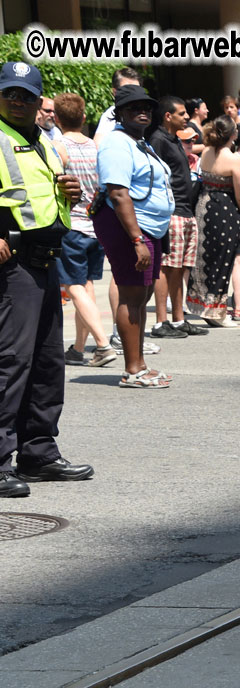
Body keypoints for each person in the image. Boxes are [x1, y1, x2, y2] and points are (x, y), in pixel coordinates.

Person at [0, 62, 92, 497]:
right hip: (12, 261)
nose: (16, 101)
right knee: (11, 362)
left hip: (45, 257)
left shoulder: (43, 143)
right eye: (9, 94)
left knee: (47, 360)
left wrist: (67, 193)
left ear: (41, 104)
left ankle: (37, 452)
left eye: (25, 95)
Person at [95, 84, 175, 389]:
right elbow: (117, 193)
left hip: (147, 228)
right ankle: (132, 370)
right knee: (131, 295)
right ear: (119, 113)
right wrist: (137, 240)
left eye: (146, 107)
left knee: (141, 296)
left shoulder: (140, 143)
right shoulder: (117, 143)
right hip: (129, 228)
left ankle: (140, 364)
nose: (142, 112)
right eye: (133, 108)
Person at [52, 93, 117, 368]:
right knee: (87, 286)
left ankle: (102, 345)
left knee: (75, 287)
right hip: (95, 225)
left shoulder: (57, 147)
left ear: (56, 118)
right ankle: (78, 348)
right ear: (83, 117)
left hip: (72, 226)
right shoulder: (96, 147)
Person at [148, 95, 207, 338]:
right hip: (170, 212)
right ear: (168, 116)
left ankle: (178, 318)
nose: (186, 117)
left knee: (180, 268)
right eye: (182, 114)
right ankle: (162, 322)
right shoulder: (158, 140)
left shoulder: (173, 140)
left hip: (186, 211)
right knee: (165, 267)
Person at [188, 114, 240, 326]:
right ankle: (216, 311)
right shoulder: (234, 160)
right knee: (223, 259)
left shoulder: (205, 152)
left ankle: (203, 305)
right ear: (233, 134)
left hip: (203, 205)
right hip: (225, 209)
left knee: (204, 257)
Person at [93, 67, 141, 145]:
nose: (133, 94)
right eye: (127, 90)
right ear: (115, 92)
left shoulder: (144, 113)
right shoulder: (112, 114)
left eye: (137, 90)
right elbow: (98, 144)